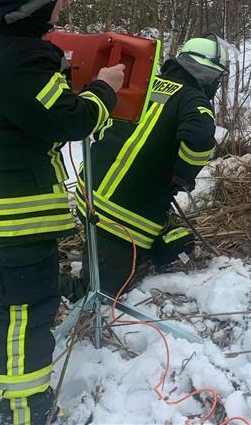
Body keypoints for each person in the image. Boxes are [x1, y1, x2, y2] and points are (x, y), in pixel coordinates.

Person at [0, 0, 123, 424]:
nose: (65, 4)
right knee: (24, 313)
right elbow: (66, 121)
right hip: (14, 216)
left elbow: (6, 98)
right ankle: (25, 410)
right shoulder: (24, 60)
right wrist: (105, 89)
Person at [59, 35, 228, 302]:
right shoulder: (194, 101)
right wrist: (183, 175)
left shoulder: (143, 83)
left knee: (169, 244)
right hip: (122, 215)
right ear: (207, 74)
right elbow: (199, 141)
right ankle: (41, 284)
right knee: (99, 293)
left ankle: (113, 249)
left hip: (88, 194)